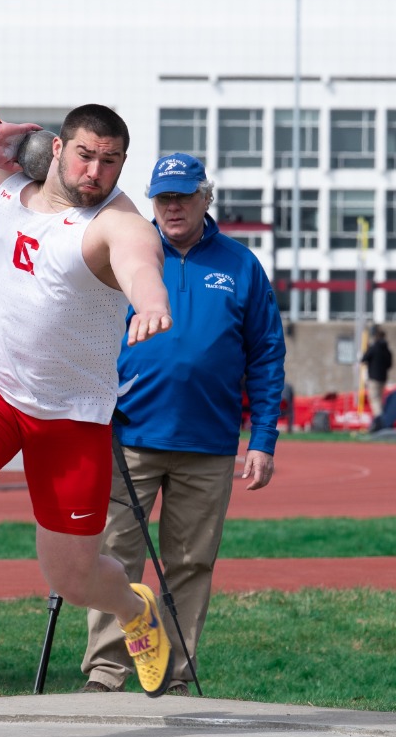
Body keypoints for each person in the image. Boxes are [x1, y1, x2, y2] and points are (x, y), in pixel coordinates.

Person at [0, 79, 175, 717]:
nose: (94, 172)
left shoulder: (118, 225)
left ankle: (135, 608)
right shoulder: (14, 172)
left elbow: (140, 266)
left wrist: (152, 303)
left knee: (70, 578)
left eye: (110, 161)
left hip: (70, 414)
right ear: (62, 146)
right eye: (84, 156)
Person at [81, 152, 284, 694]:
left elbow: (266, 354)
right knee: (114, 557)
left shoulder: (242, 266)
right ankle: (107, 671)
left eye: (183, 196)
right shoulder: (128, 253)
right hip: (129, 437)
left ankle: (174, 674)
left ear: (205, 198)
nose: (172, 206)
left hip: (209, 442)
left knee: (191, 563)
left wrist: (261, 438)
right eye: (163, 197)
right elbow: (87, 334)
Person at [361, 327, 393, 430]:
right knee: (380, 400)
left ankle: (379, 421)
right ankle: (380, 419)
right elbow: (389, 365)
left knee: (375, 400)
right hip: (383, 378)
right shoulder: (387, 349)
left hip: (374, 378)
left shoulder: (374, 347)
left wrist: (367, 349)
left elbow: (364, 359)